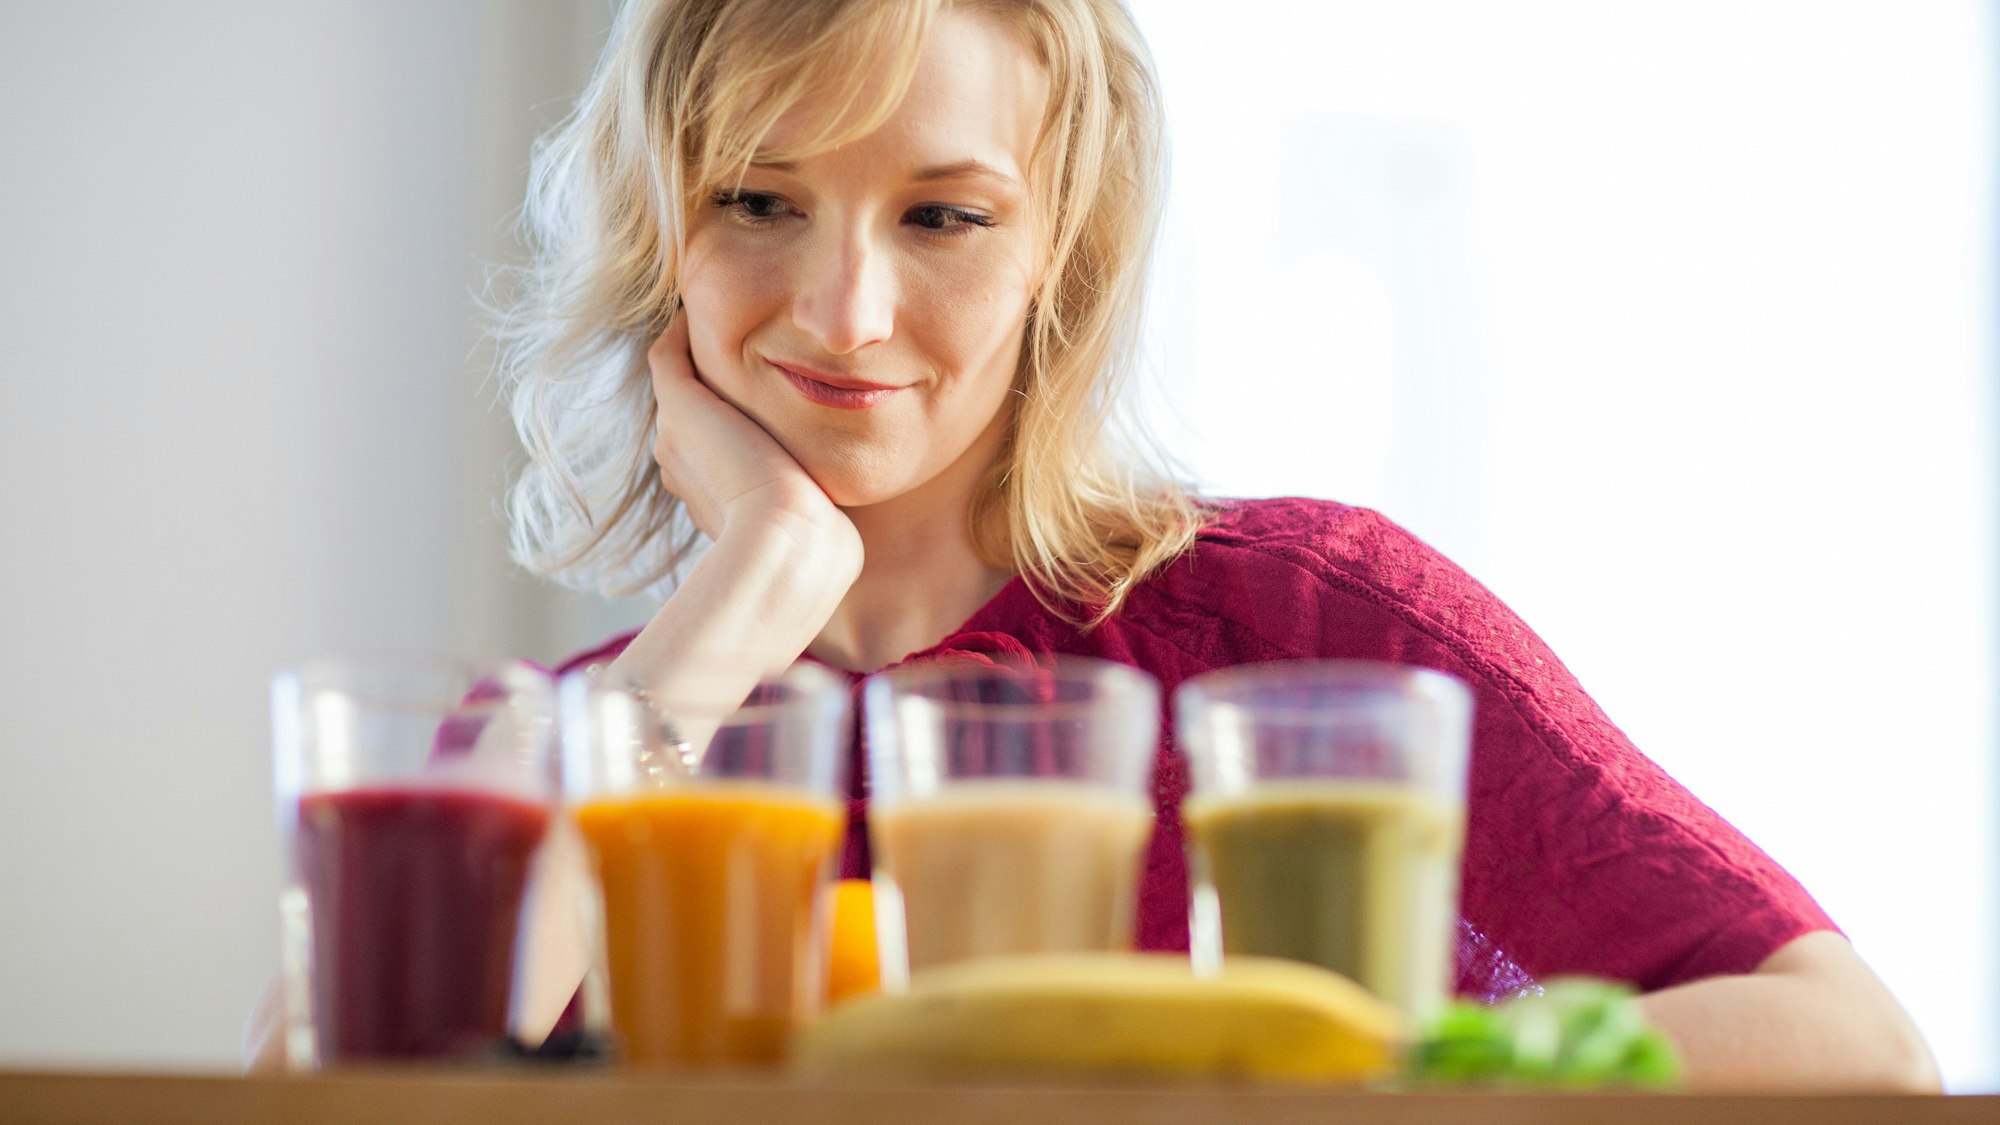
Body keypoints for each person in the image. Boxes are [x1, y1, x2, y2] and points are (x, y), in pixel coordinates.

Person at [251, 0, 1939, 1089]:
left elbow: (1845, 1049)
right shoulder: (573, 743)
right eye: (757, 200)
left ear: (1066, 246)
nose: (845, 309)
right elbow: (319, 1095)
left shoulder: (1301, 623)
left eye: (945, 214)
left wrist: (1349, 1077)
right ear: (658, 231)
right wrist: (741, 596)